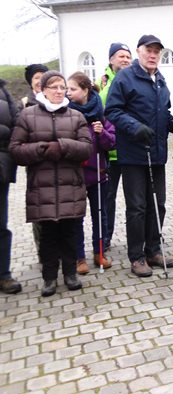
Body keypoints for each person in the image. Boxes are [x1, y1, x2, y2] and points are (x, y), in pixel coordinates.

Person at [9, 71, 92, 297]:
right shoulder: (28, 116)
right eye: (53, 87)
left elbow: (87, 147)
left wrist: (63, 146)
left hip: (70, 185)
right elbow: (15, 149)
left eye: (62, 87)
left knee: (69, 232)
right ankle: (48, 277)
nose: (58, 91)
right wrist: (41, 149)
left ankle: (70, 273)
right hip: (42, 187)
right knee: (48, 236)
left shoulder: (76, 116)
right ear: (43, 90)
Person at [105, 34, 173, 278]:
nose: (154, 55)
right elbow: (112, 110)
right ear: (139, 52)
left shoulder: (160, 80)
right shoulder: (125, 78)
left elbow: (164, 111)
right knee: (137, 207)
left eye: (157, 51)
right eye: (149, 50)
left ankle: (154, 249)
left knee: (158, 204)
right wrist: (135, 127)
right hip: (134, 155)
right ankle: (136, 257)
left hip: (157, 155)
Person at [67, 71, 116, 274]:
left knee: (100, 215)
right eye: (67, 89)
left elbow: (112, 142)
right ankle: (79, 258)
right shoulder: (66, 113)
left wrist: (101, 132)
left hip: (98, 172)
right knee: (77, 217)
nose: (68, 93)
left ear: (85, 90)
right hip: (76, 175)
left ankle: (100, 252)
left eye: (72, 89)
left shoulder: (100, 113)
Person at [98, 42, 132, 251]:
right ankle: (106, 237)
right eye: (121, 56)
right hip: (109, 154)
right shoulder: (101, 88)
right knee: (108, 199)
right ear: (111, 60)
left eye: (128, 56)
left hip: (130, 152)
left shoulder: (135, 82)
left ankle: (139, 236)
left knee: (135, 198)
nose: (125, 60)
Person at [22, 64, 49, 262]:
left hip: (59, 166)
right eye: (36, 78)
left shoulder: (58, 102)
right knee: (39, 212)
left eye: (43, 76)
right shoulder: (24, 104)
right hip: (37, 166)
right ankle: (43, 254)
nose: (40, 81)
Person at [0, 78, 21, 294]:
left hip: (0, 168)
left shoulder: (3, 91)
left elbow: (16, 125)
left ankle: (3, 274)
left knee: (1, 225)